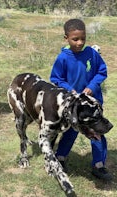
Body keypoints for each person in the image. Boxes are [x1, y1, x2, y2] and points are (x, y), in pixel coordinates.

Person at [50, 18, 112, 181]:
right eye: (75, 39)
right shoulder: (62, 58)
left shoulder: (91, 53)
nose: (79, 42)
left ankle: (98, 164)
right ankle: (61, 158)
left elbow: (102, 71)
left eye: (83, 38)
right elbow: (56, 79)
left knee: (97, 131)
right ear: (66, 38)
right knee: (71, 130)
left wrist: (92, 86)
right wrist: (72, 91)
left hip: (93, 103)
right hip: (74, 105)